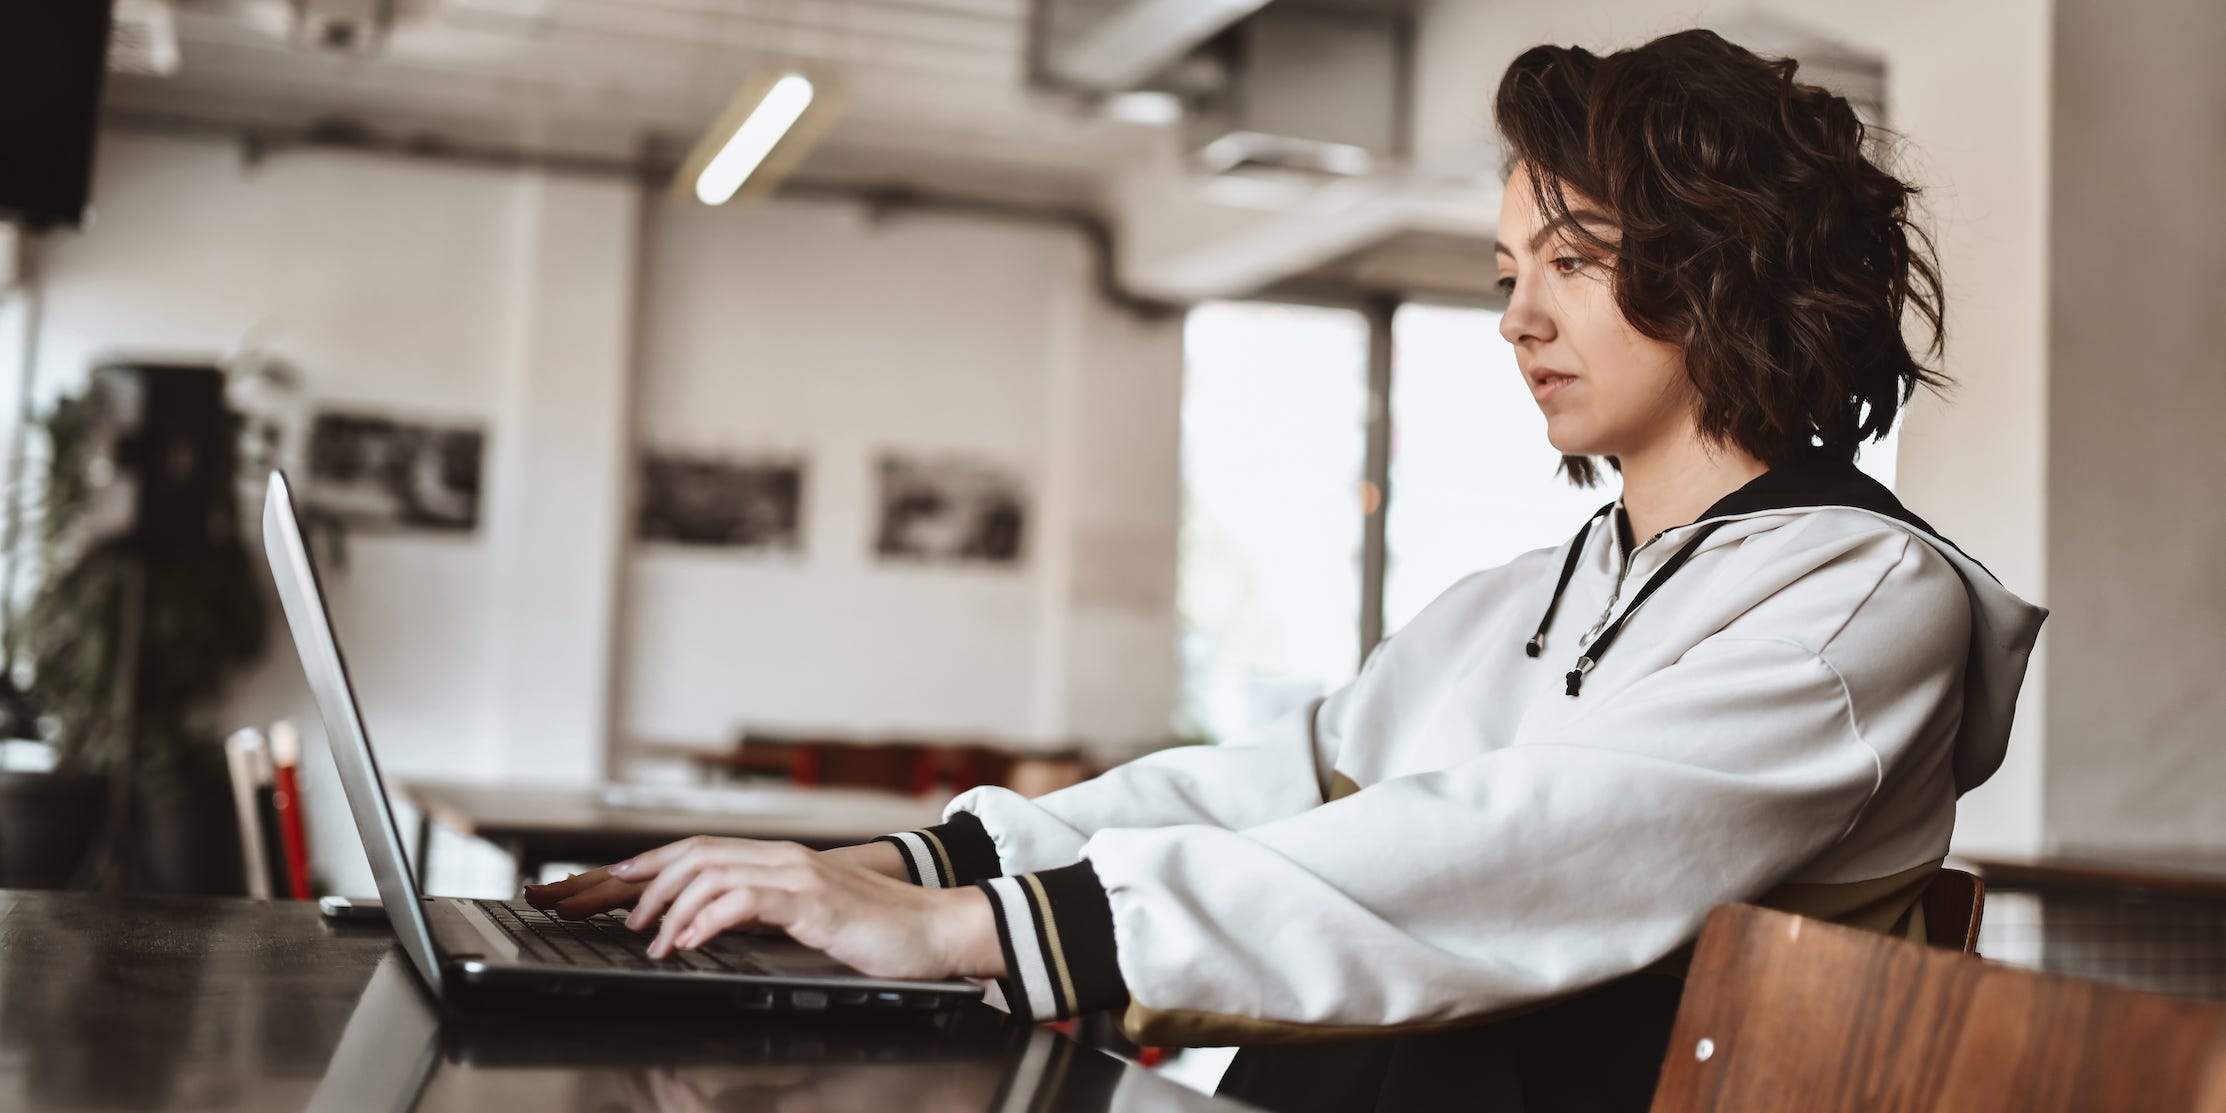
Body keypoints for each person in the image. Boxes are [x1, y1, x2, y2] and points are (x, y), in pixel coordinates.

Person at [527, 29, 2047, 1112]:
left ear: (1730, 270)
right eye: (1507, 272)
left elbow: (1518, 846)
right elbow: (1261, 782)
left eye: (1571, 262)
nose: (1517, 318)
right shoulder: (1529, 593)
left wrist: (969, 934)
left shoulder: (1861, 599)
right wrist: (909, 869)